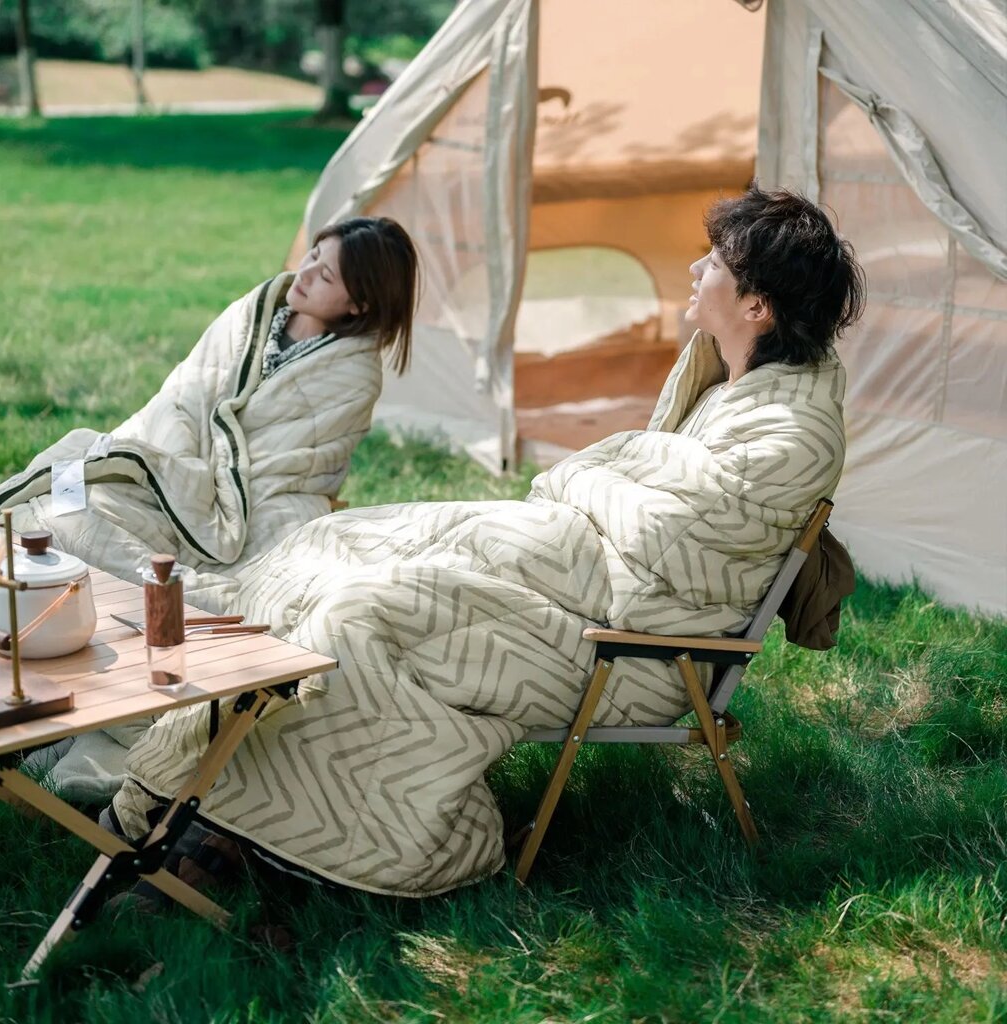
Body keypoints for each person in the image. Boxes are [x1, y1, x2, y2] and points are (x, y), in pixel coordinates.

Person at [108, 183, 864, 900]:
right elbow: (645, 500)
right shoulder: (731, 377)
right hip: (579, 581)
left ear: (757, 306)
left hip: (634, 647)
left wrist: (597, 467)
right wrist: (617, 472)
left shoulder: (791, 431)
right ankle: (210, 783)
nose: (696, 269)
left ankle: (275, 832)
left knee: (367, 614)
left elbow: (667, 541)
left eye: (716, 265)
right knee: (337, 541)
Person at [0, 216, 419, 607]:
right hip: (173, 465)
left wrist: (213, 485)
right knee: (63, 497)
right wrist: (180, 470)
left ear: (359, 304)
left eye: (325, 275)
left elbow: (295, 459)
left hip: (261, 501)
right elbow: (185, 393)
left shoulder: (353, 375)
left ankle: (174, 590)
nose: (303, 273)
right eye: (312, 254)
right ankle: (146, 572)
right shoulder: (253, 311)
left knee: (260, 583)